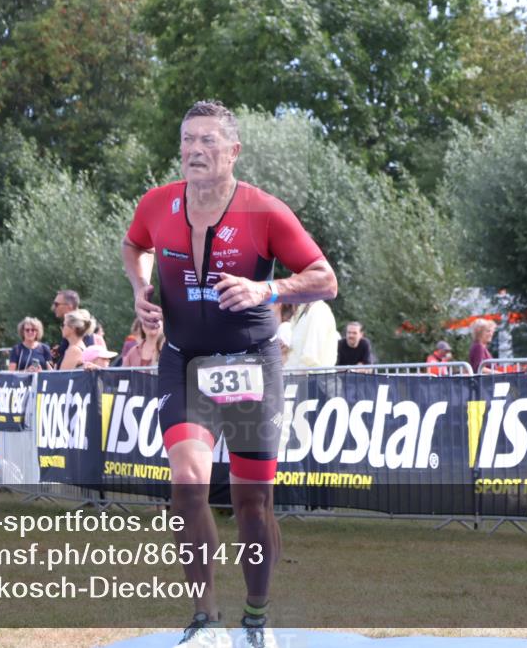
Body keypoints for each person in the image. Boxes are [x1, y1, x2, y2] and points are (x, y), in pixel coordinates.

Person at [122, 100, 337, 648]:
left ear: (233, 151)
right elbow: (133, 246)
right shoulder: (157, 203)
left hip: (251, 362)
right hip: (184, 360)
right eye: (188, 140)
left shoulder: (264, 212)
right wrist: (140, 290)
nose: (195, 150)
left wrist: (267, 289)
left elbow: (324, 279)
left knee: (251, 502)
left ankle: (258, 615)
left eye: (208, 141)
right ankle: (205, 617)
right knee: (188, 486)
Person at [284, 300, 339, 369]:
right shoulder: (303, 311)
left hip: (312, 377)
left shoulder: (319, 311)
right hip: (300, 375)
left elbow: (311, 357)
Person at [51, 290, 95, 366]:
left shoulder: (79, 332)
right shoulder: (74, 330)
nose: (53, 308)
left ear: (69, 306)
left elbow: (62, 375)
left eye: (56, 304)